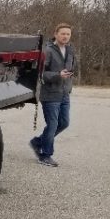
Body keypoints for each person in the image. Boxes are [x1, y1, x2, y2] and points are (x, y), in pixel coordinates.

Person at [30, 23, 77, 167]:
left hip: (64, 93)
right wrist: (58, 75)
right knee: (52, 124)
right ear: (56, 34)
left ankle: (37, 142)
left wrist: (69, 78)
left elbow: (73, 67)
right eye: (63, 33)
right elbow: (40, 73)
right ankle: (45, 155)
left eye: (68, 34)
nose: (65, 36)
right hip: (50, 94)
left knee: (64, 123)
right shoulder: (48, 51)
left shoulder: (70, 50)